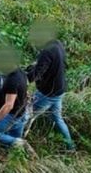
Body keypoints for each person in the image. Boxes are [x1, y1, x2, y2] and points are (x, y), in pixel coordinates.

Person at [26, 20, 75, 151]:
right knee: (57, 119)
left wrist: (24, 77)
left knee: (26, 116)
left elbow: (37, 73)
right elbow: (48, 66)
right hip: (59, 90)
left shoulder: (46, 51)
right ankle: (71, 148)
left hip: (48, 93)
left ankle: (16, 145)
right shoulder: (58, 44)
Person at [0, 45, 35, 156]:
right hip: (22, 113)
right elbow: (24, 91)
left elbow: (9, 105)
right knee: (13, 148)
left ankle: (19, 143)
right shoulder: (21, 73)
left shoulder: (12, 80)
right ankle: (22, 158)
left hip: (13, 116)